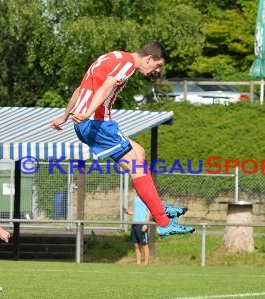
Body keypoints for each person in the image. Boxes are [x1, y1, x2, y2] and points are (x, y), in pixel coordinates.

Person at [49, 41, 194, 237]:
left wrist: (65, 117)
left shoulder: (111, 57)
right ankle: (163, 221)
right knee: (138, 168)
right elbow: (108, 86)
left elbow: (79, 90)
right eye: (157, 65)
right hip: (97, 123)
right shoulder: (128, 64)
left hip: (85, 123)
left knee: (140, 153)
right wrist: (89, 112)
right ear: (148, 58)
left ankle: (158, 208)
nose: (156, 70)